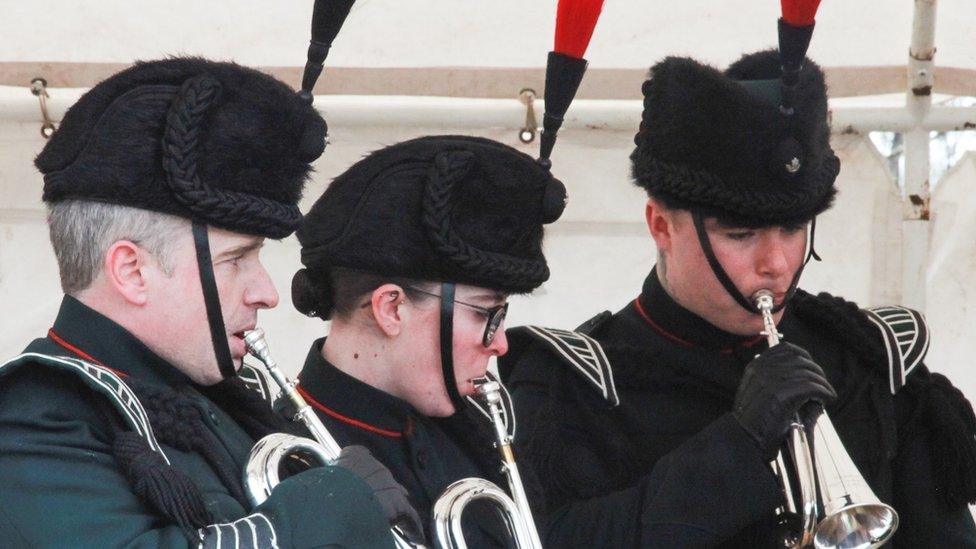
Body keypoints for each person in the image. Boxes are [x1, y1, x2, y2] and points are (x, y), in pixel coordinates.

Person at [501, 50, 976, 547]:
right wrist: (737, 446)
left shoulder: (870, 358)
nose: (775, 263)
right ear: (661, 226)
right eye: (741, 234)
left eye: (793, 228)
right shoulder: (573, 386)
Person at [0, 58, 419, 548]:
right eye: (237, 259)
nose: (266, 292)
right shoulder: (34, 418)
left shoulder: (229, 400)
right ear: (133, 271)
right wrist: (337, 503)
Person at [287, 135, 568, 546]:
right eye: (484, 314)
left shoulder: (483, 434)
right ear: (391, 308)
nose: (500, 344)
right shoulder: (290, 457)